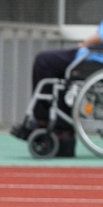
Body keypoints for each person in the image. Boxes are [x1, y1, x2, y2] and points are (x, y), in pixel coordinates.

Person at [10, 20, 103, 156]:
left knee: (43, 60)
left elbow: (99, 37)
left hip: (93, 59)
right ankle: (62, 131)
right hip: (92, 57)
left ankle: (44, 121)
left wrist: (83, 44)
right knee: (60, 78)